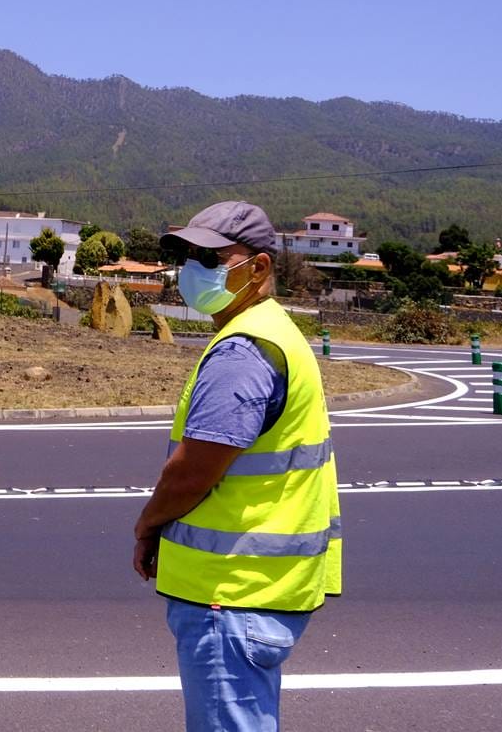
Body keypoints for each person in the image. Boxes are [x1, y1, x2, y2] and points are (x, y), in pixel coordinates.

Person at [132, 200, 341, 732]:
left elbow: (193, 472)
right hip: (260, 589)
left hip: (231, 594)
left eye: (211, 257)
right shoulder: (273, 331)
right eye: (190, 256)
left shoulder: (243, 351)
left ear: (259, 268)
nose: (194, 270)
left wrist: (148, 523)